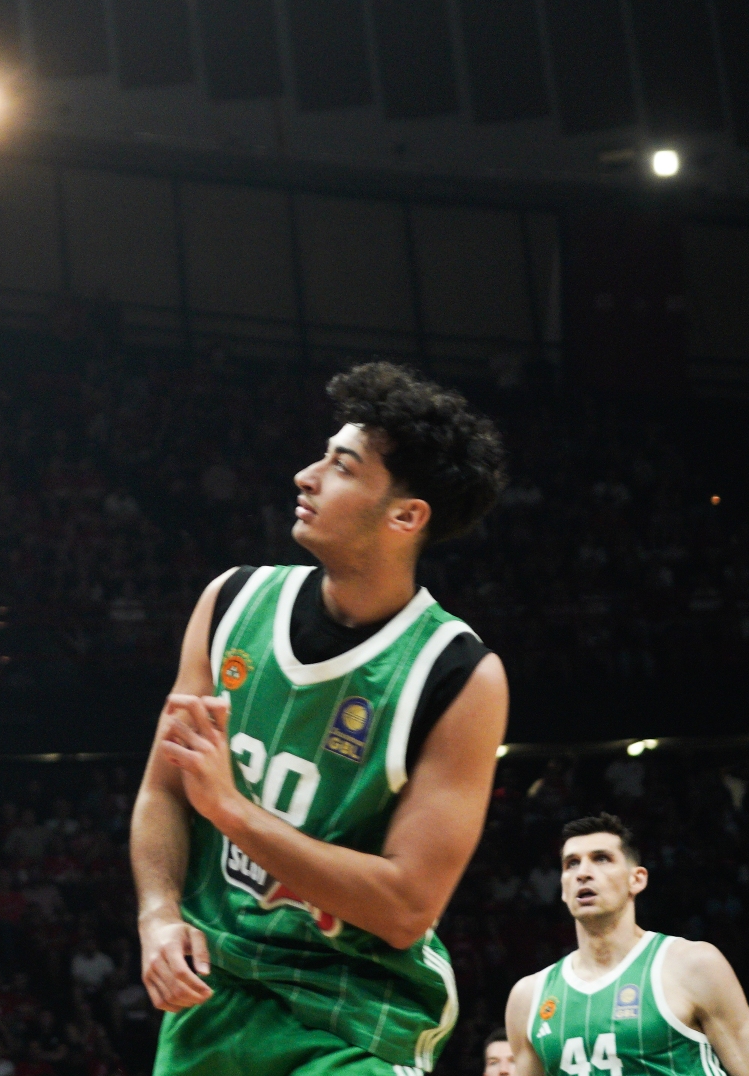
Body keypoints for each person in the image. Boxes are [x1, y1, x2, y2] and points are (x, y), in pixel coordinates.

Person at [129, 363, 512, 1075]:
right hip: (218, 991)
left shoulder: (458, 675)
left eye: (342, 466)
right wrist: (158, 913)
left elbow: (405, 908)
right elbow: (163, 792)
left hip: (359, 1015)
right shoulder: (231, 603)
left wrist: (234, 812)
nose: (305, 477)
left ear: (406, 516)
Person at [503, 813, 749, 1076]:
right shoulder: (528, 998)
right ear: (563, 889)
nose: (583, 873)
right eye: (571, 863)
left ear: (637, 879)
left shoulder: (693, 965)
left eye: (601, 859)